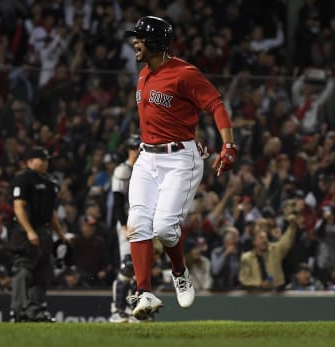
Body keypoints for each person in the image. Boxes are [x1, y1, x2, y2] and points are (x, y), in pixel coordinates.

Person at [124, 16, 237, 320]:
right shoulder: (144, 74)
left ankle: (179, 270)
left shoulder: (185, 73)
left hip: (179, 159)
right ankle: (144, 291)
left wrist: (228, 145)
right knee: (136, 223)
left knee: (163, 227)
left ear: (157, 43)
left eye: (140, 38)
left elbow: (216, 104)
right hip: (147, 157)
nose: (135, 42)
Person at [9, 146, 69, 322]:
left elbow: (51, 213)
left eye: (46, 160)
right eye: (41, 159)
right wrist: (29, 231)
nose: (45, 162)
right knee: (24, 270)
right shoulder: (23, 178)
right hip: (26, 231)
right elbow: (18, 206)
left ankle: (35, 311)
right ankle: (18, 310)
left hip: (44, 231)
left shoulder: (50, 183)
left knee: (42, 272)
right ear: (29, 162)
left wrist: (61, 234)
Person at [109, 134, 142, 323]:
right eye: (137, 147)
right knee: (128, 265)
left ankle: (134, 309)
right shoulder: (123, 170)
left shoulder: (145, 169)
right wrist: (123, 225)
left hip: (142, 222)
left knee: (140, 267)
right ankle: (117, 309)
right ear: (130, 150)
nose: (140, 151)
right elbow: (117, 201)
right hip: (127, 222)